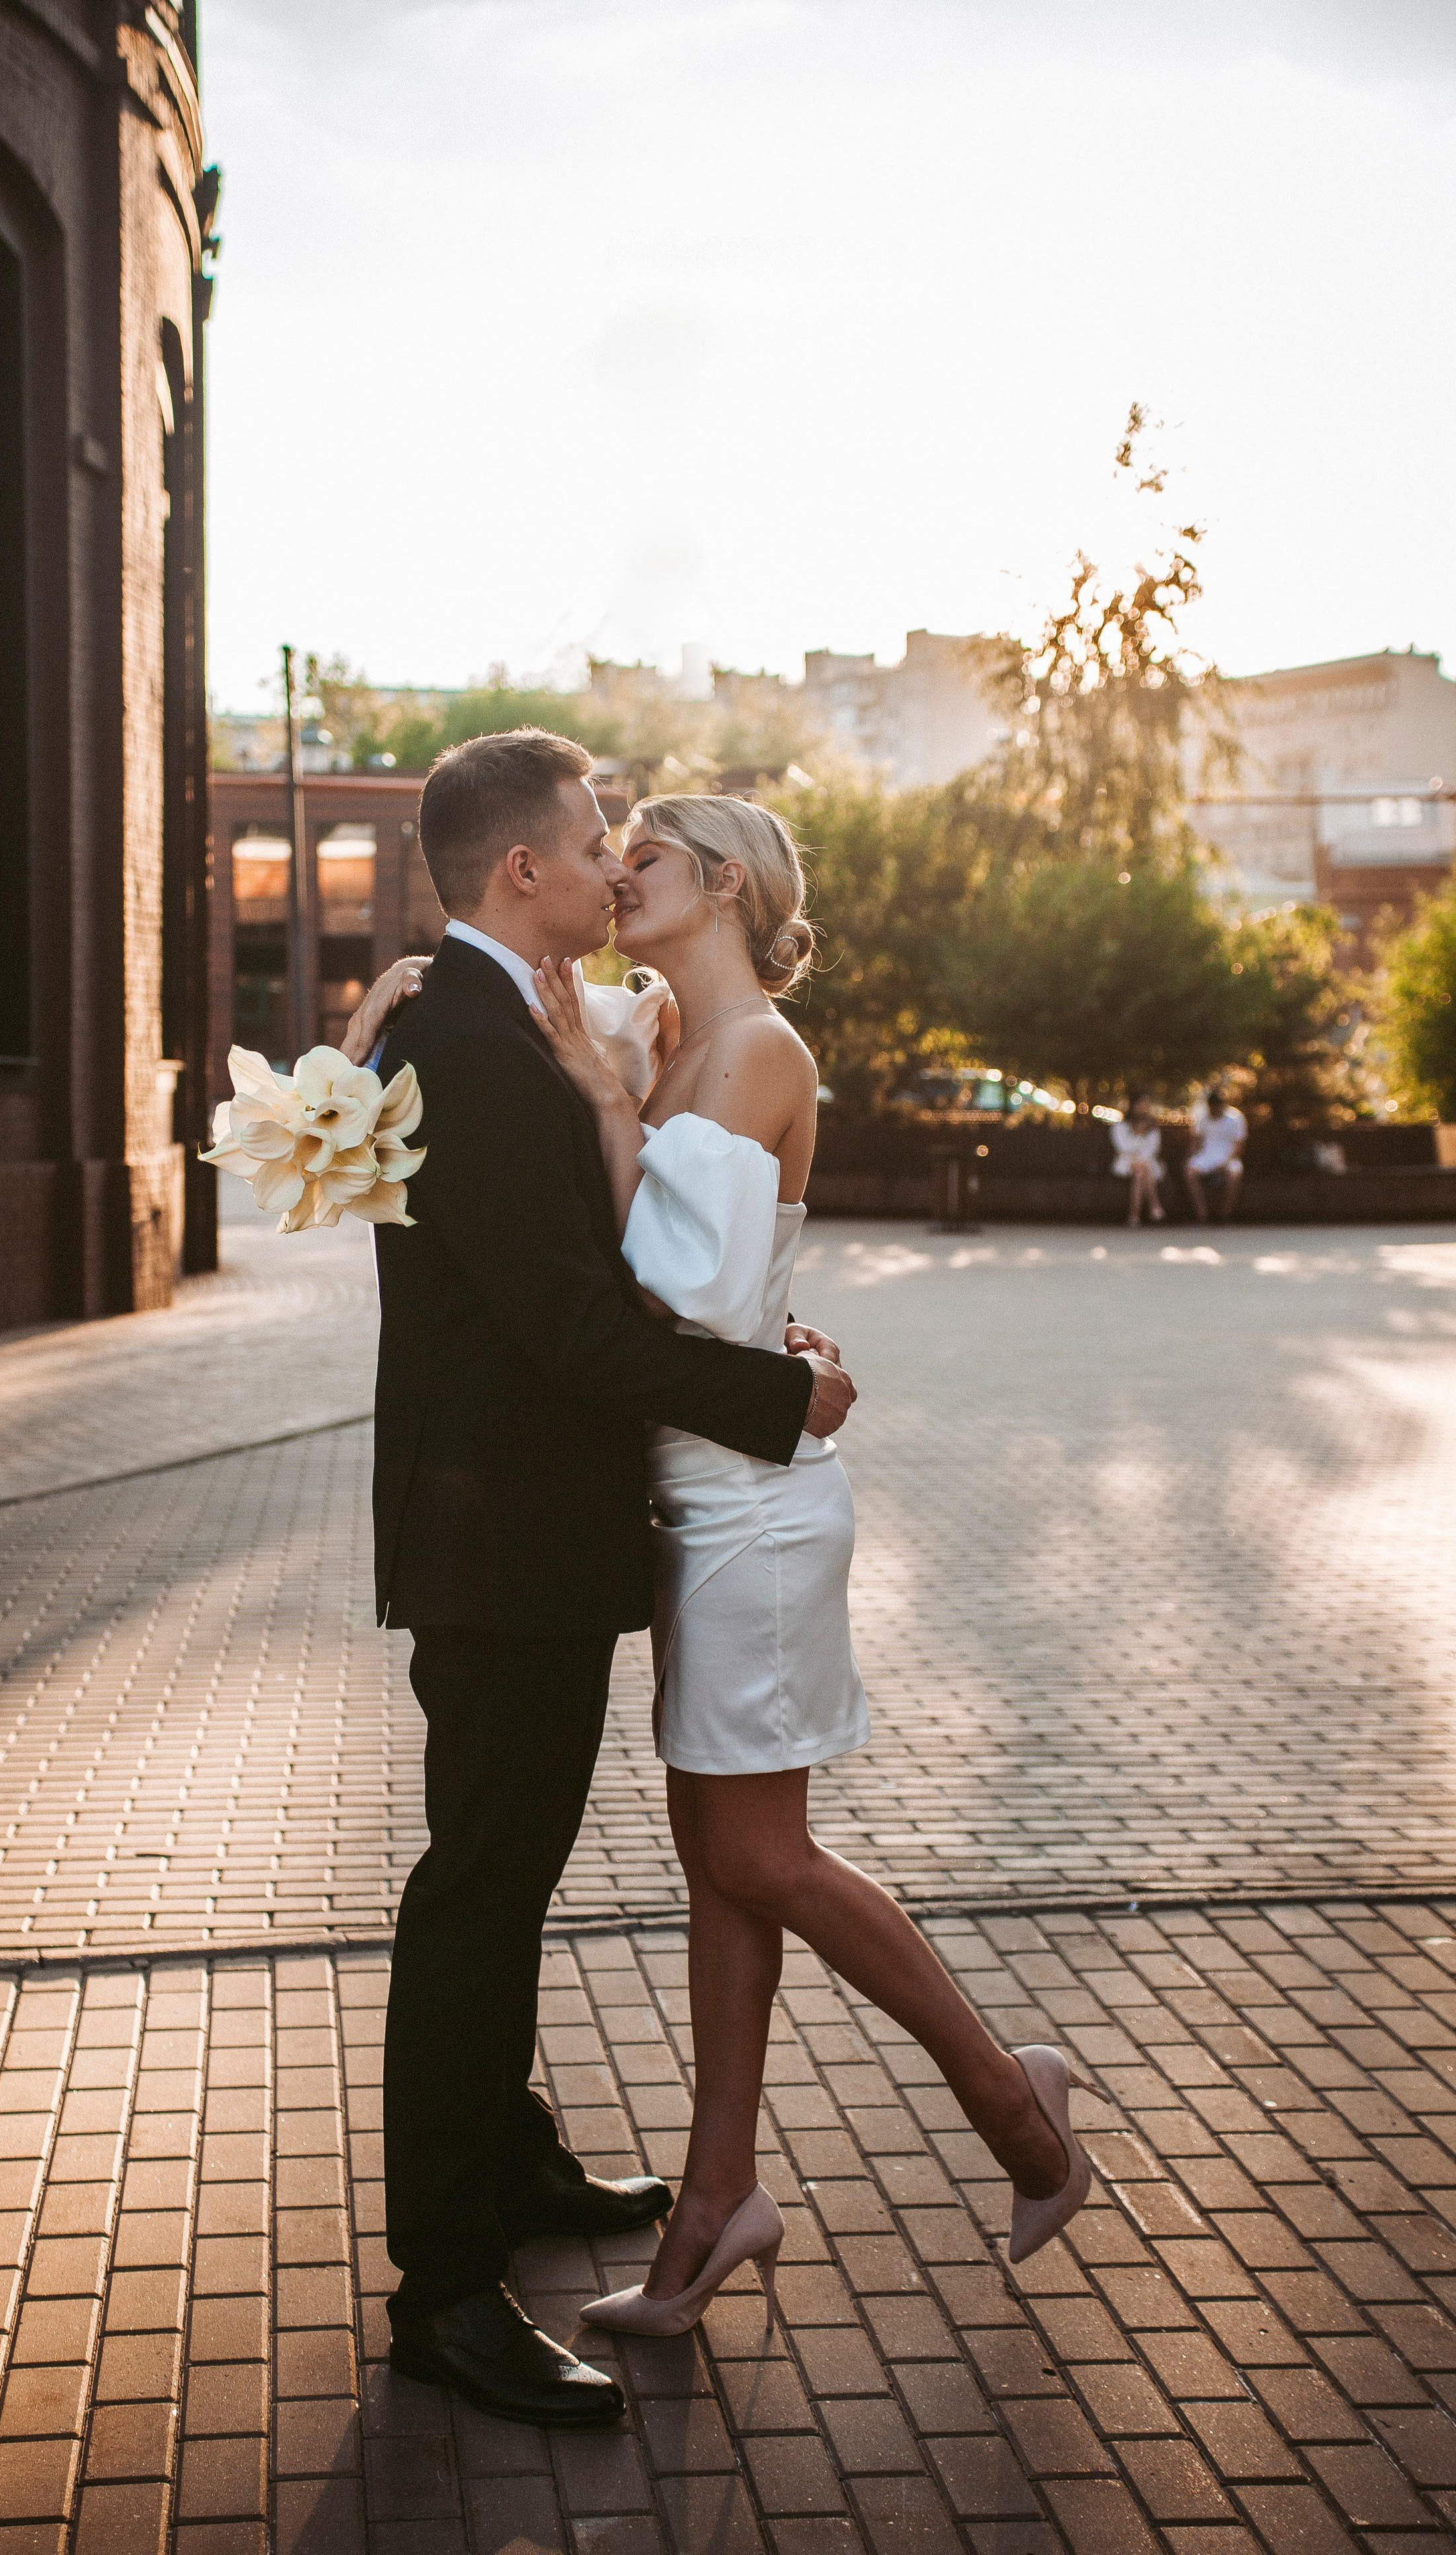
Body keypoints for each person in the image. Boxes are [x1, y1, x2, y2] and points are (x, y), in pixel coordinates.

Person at [514, 793, 1096, 2338]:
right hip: (705, 1497)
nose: (614, 875)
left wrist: (601, 1111)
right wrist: (619, 1090)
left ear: (715, 885)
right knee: (723, 1862)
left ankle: (1013, 2106)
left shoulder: (756, 1046)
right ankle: (716, 2201)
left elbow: (682, 1300)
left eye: (640, 857)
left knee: (761, 1857)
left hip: (751, 1514)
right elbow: (715, 1296)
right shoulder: (675, 1051)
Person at [341, 731, 856, 2431]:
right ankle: (445, 2291)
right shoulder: (476, 1039)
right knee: (480, 1892)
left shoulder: (482, 1020)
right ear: (522, 875)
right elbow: (572, 1325)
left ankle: (518, 2162)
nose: (605, 866)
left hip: (513, 1535)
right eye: (587, 845)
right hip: (504, 1545)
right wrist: (783, 1397)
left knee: (505, 1867)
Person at [1183, 1087, 1248, 1222]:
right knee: (1190, 1171)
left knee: (1235, 1174)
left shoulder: (1236, 1118)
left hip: (1229, 1158)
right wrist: (1193, 1157)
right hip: (1206, 1157)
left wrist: (1224, 1163)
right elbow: (1196, 1142)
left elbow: (1239, 1146)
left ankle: (1225, 1214)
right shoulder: (1202, 1118)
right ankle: (1202, 1214)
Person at [1110, 1096, 1165, 1227]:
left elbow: (1154, 1149)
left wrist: (1141, 1159)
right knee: (1141, 1170)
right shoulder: (1120, 1127)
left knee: (1141, 1172)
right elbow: (1123, 1148)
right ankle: (1155, 1206)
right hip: (1125, 1161)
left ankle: (1134, 1216)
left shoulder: (1153, 1128)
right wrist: (1138, 1135)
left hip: (1148, 1162)